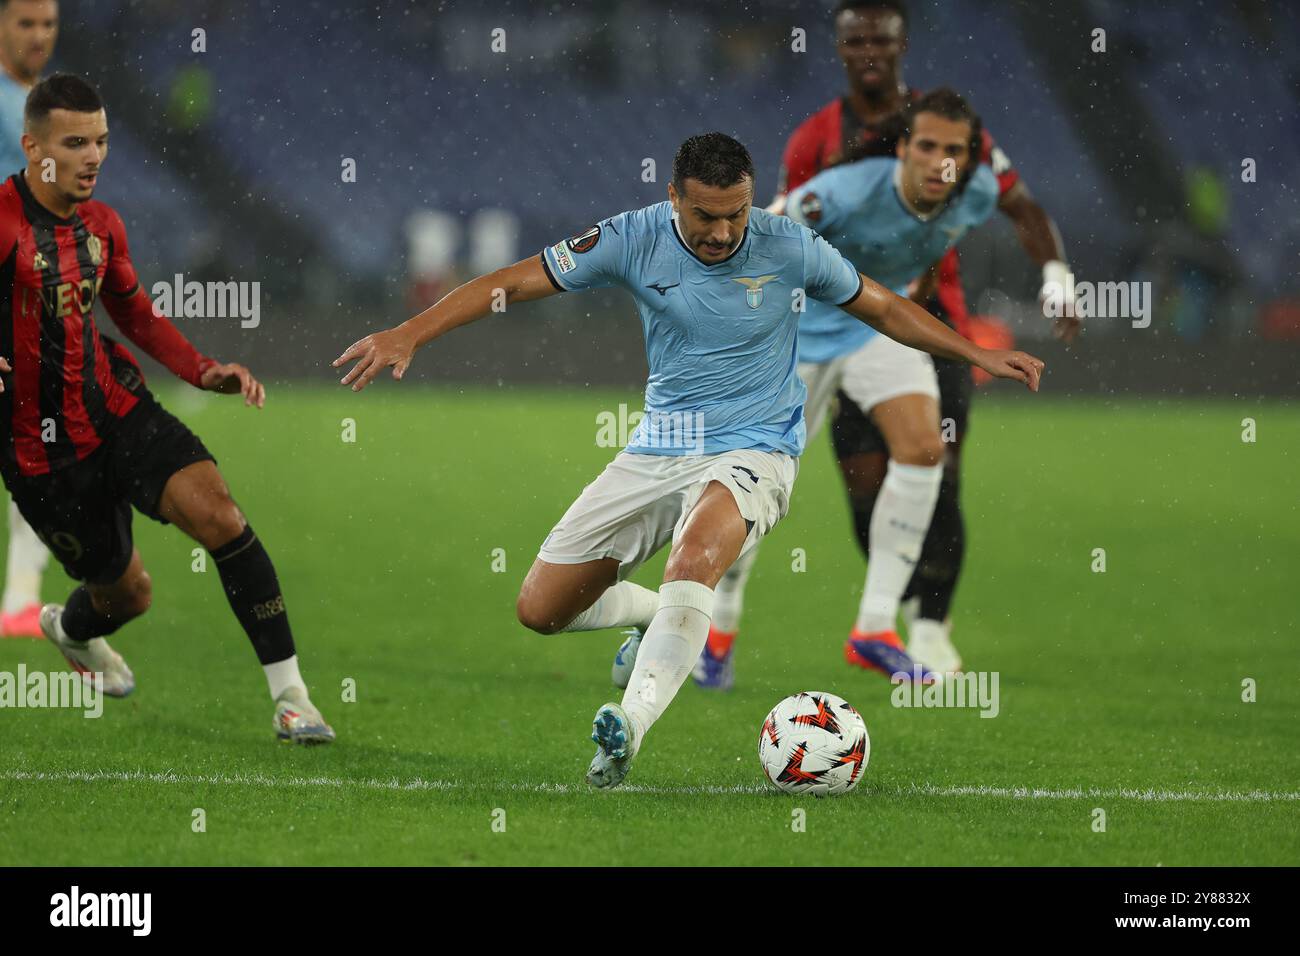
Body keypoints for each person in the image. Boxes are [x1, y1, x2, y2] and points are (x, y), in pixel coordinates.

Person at [334, 132, 1042, 788]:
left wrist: (974, 351)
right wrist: (412, 332)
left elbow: (882, 307)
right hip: (660, 446)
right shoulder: (632, 237)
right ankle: (656, 620)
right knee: (541, 608)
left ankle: (630, 727)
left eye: (735, 214)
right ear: (675, 197)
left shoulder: (787, 244)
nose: (723, 232)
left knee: (698, 553)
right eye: (705, 216)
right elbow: (514, 283)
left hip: (756, 449)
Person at [730, 0, 1077, 679]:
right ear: (838, 47)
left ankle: (925, 627)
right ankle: (717, 616)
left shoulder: (952, 132)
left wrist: (1057, 273)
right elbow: (778, 234)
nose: (869, 51)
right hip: (821, 325)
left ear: (901, 46)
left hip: (926, 324)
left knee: (934, 458)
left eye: (881, 40)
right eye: (856, 39)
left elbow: (1020, 203)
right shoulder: (818, 148)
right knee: (829, 483)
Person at [0, 73, 334, 743]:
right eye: (75, 143)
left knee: (221, 515)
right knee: (129, 596)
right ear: (33, 147)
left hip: (117, 407)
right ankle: (71, 629)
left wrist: (202, 369)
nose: (92, 156)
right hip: (43, 456)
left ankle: (292, 697)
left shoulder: (102, 225)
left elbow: (136, 314)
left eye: (101, 141)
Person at [693, 88, 1001, 690]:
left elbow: (931, 246)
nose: (940, 162)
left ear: (970, 157)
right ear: (904, 148)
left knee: (921, 447)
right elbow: (763, 234)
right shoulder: (842, 192)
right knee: (751, 485)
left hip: (873, 331)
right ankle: (718, 633)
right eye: (928, 146)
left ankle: (875, 629)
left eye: (954, 150)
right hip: (798, 338)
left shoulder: (980, 193)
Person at [0, 0, 57, 637]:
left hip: (30, 289)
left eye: (48, 25)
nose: (39, 36)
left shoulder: (55, 102)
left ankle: (21, 594)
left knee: (32, 438)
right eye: (26, 24)